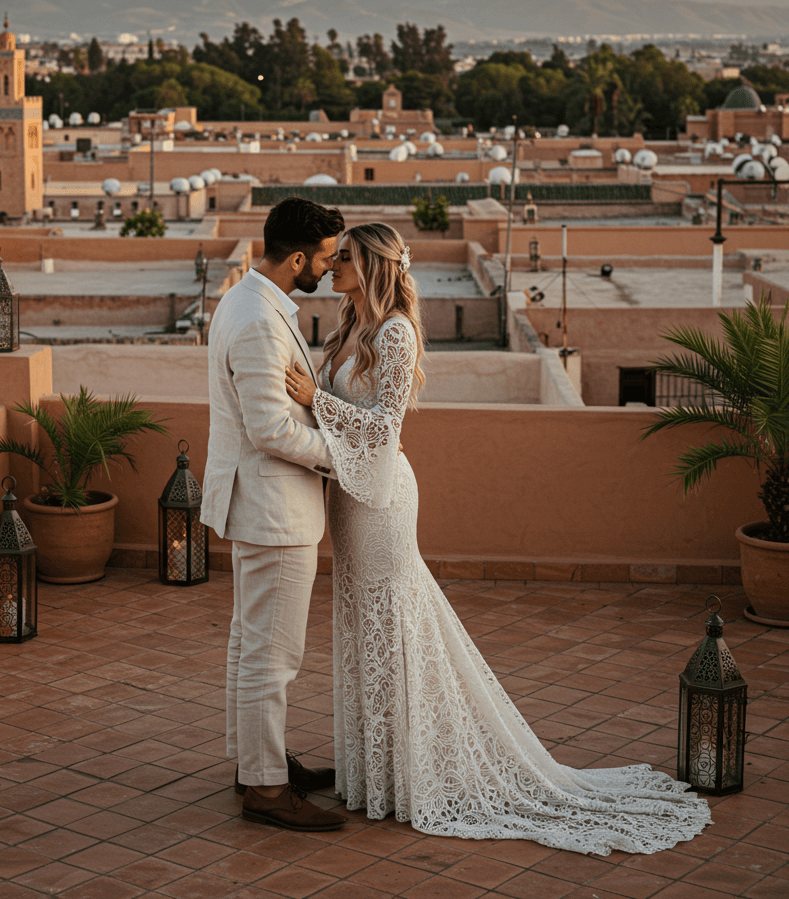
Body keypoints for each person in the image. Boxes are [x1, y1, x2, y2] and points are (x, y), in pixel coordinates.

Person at [284, 223, 712, 854]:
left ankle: (412, 772)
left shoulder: (397, 333)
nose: (333, 267)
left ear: (373, 265)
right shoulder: (349, 329)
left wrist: (316, 401)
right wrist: (316, 398)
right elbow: (354, 420)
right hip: (348, 499)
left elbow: (383, 427)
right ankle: (378, 773)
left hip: (383, 503)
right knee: (361, 626)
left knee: (393, 624)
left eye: (345, 258)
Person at [201, 197, 348, 833]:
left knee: (248, 641)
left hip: (255, 503)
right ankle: (265, 789)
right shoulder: (260, 319)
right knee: (271, 654)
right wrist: (346, 456)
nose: (331, 267)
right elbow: (269, 429)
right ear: (297, 257)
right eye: (326, 257)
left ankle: (257, 762)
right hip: (273, 509)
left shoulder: (244, 298)